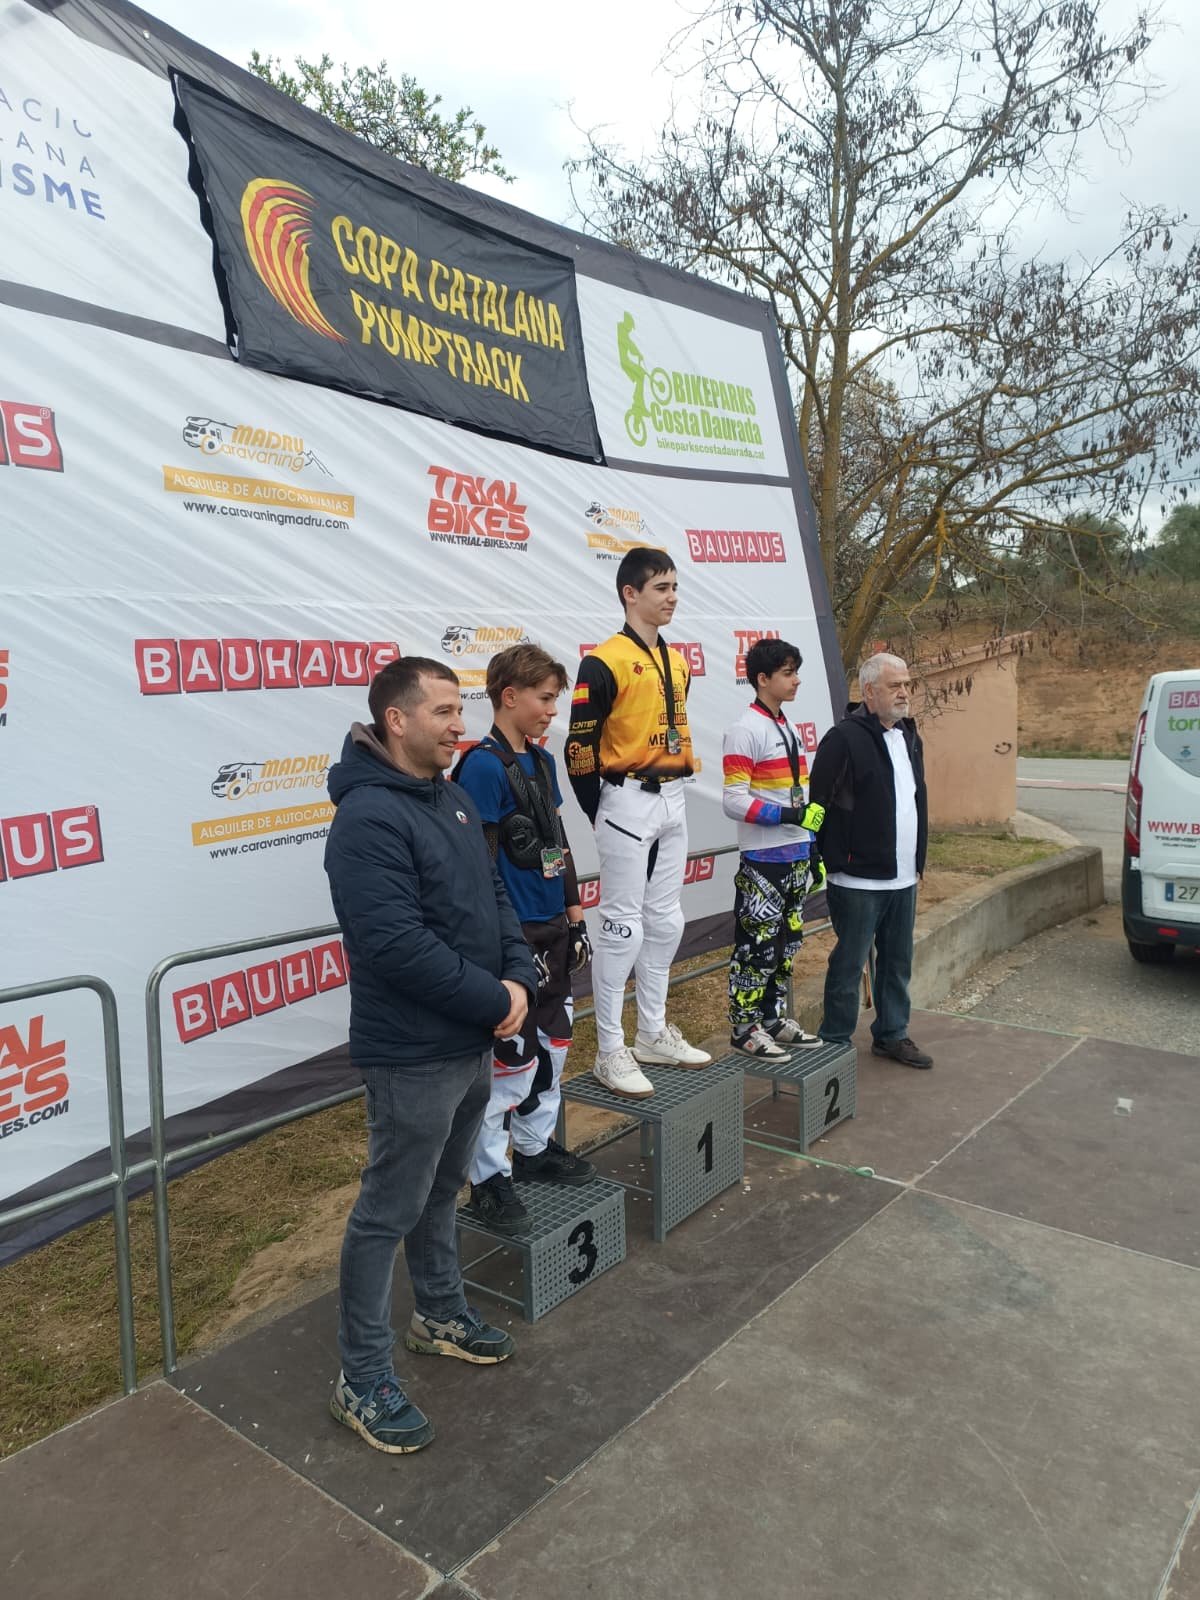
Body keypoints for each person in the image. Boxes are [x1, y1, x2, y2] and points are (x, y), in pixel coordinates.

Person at [323, 656, 538, 1455]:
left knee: (444, 1190)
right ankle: (361, 1377)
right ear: (397, 720)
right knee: (387, 1212)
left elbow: (495, 897)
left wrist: (518, 977)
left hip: (469, 1042)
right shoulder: (367, 819)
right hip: (412, 1055)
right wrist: (495, 1000)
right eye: (444, 711)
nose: (460, 725)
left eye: (459, 710)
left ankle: (439, 1313)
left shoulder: (450, 797)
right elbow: (394, 945)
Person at [453, 643, 596, 1237]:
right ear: (509, 697)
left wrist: (575, 915)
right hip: (512, 937)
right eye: (544, 699)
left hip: (553, 926)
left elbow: (556, 840)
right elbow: (480, 863)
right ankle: (488, 1178)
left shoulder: (541, 760)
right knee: (509, 1061)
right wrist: (499, 940)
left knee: (554, 1045)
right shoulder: (482, 767)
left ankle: (534, 1150)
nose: (552, 711)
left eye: (555, 700)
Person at [566, 546, 711, 1099]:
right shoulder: (603, 661)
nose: (672, 597)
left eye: (675, 587)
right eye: (661, 588)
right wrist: (601, 808)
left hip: (674, 797)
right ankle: (610, 1049)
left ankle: (652, 1032)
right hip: (627, 797)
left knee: (667, 921)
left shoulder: (678, 661)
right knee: (621, 926)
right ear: (630, 593)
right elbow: (579, 748)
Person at [808, 652, 933, 1069]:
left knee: (897, 963)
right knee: (848, 965)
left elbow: (913, 800)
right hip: (857, 880)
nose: (904, 692)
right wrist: (828, 858)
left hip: (903, 878)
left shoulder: (910, 736)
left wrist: (917, 860)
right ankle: (834, 1043)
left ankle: (892, 1034)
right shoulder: (843, 739)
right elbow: (819, 803)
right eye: (894, 685)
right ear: (868, 692)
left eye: (906, 684)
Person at [722, 637, 828, 1056]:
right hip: (763, 860)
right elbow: (733, 801)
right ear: (762, 678)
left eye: (796, 672)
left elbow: (799, 797)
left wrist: (812, 849)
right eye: (788, 673)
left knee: (787, 945)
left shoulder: (787, 726)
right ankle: (743, 1027)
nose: (796, 680)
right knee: (757, 946)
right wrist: (789, 816)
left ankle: (772, 1018)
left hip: (796, 855)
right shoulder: (745, 729)